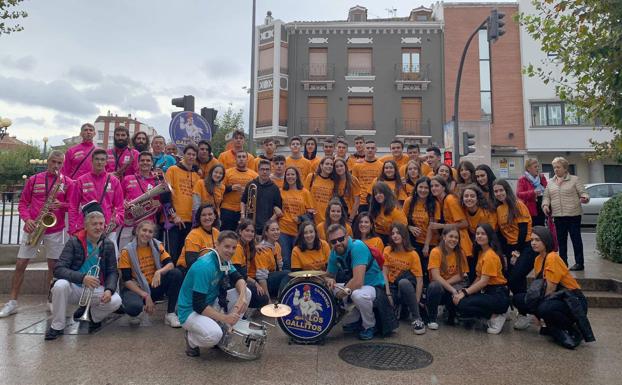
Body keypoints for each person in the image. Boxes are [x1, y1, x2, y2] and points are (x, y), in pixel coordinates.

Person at [1, 151, 72, 318]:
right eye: (53, 162)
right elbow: (23, 203)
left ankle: (52, 299)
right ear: (48, 162)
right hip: (34, 227)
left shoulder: (67, 182)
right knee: (20, 264)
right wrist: (27, 220)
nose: (56, 165)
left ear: (63, 164)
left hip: (55, 228)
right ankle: (12, 302)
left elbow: (72, 205)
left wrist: (61, 204)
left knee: (53, 267)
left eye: (59, 163)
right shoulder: (34, 180)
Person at [45, 204, 122, 340]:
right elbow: (59, 269)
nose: (98, 227)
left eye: (101, 224)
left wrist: (109, 290)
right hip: (75, 287)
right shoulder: (74, 242)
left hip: (95, 288)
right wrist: (82, 278)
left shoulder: (108, 244)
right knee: (59, 285)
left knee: (116, 301)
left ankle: (93, 316)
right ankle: (57, 325)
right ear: (86, 226)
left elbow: (112, 271)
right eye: (94, 224)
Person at [513, 226, 593, 349]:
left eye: (537, 240)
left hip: (572, 300)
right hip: (556, 298)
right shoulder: (538, 259)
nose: (533, 243)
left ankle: (571, 328)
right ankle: (552, 326)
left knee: (544, 308)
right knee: (518, 299)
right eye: (532, 240)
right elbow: (539, 288)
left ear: (546, 241)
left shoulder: (552, 257)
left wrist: (536, 312)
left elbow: (549, 290)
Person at [177, 231, 251, 357]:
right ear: (217, 245)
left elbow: (239, 279)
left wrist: (242, 299)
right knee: (214, 335)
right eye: (227, 246)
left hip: (210, 302)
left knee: (247, 292)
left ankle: (225, 331)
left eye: (234, 247)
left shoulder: (223, 259)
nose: (231, 251)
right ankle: (192, 340)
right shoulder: (205, 266)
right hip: (190, 311)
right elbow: (198, 305)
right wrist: (225, 318)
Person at [325, 224, 386, 340]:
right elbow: (328, 275)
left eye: (340, 239)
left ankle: (370, 326)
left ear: (347, 237)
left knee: (358, 295)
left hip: (373, 286)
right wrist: (330, 280)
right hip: (354, 286)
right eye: (333, 241)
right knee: (326, 289)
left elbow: (358, 282)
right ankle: (355, 318)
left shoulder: (357, 247)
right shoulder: (334, 253)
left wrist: (339, 295)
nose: (337, 243)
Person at [119, 220, 183, 327]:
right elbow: (126, 280)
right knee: (133, 308)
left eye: (150, 232)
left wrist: (159, 271)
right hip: (136, 287)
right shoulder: (127, 251)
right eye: (144, 230)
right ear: (137, 231)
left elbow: (170, 264)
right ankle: (138, 310)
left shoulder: (157, 245)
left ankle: (170, 314)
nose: (147, 234)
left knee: (176, 274)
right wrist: (145, 295)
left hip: (153, 284)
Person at [453, 223, 510, 334]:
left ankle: (496, 316)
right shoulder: (481, 252)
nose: (479, 236)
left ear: (489, 236)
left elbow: (483, 282)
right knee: (461, 301)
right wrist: (467, 291)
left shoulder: (490, 256)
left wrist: (465, 292)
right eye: (477, 233)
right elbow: (479, 277)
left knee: (463, 303)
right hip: (489, 293)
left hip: (498, 294)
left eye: (483, 234)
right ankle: (493, 313)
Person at [68, 149, 124, 251]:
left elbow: (120, 207)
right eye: (97, 159)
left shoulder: (114, 181)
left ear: (106, 162)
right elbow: (73, 207)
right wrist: (73, 229)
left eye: (102, 159)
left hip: (108, 229)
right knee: (86, 261)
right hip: (86, 228)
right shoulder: (81, 180)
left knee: (110, 262)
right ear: (92, 161)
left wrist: (116, 220)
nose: (99, 162)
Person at [542, 157, 589, 271]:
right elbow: (546, 197)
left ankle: (579, 263)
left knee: (576, 239)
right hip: (558, 216)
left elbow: (584, 193)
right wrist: (545, 205)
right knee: (561, 241)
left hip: (573, 215)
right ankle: (563, 263)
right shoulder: (550, 183)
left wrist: (585, 198)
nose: (556, 170)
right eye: (554, 167)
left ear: (565, 168)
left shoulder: (574, 180)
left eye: (558, 167)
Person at [493, 179, 535, 302]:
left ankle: (527, 307)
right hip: (511, 248)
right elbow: (502, 234)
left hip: (525, 246)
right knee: (515, 280)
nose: (499, 193)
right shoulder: (499, 209)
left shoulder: (518, 205)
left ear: (507, 190)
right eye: (496, 191)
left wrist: (517, 251)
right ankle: (523, 309)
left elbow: (523, 230)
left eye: (501, 190)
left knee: (515, 277)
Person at [382, 223, 425, 334]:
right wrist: (387, 294)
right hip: (391, 287)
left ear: (404, 235)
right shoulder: (387, 250)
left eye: (398, 233)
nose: (395, 236)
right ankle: (400, 308)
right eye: (392, 234)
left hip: (407, 287)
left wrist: (416, 301)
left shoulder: (413, 254)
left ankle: (417, 319)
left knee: (403, 282)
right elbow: (384, 273)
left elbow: (419, 280)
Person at [163, 144, 201, 262]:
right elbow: (165, 196)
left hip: (190, 221)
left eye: (193, 155)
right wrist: (173, 215)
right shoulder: (172, 170)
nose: (191, 157)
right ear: (183, 155)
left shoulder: (197, 176)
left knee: (184, 257)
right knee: (171, 255)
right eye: (188, 154)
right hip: (175, 220)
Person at [426, 227, 469, 330]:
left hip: (453, 284)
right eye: (451, 236)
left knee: (462, 292)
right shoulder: (436, 252)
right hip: (439, 287)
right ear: (444, 237)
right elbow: (435, 276)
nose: (453, 239)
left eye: (456, 237)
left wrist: (448, 285)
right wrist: (452, 289)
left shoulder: (460, 252)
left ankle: (451, 312)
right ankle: (431, 319)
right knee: (434, 286)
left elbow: (461, 275)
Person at [119, 151, 160, 250]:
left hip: (148, 224)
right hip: (128, 223)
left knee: (145, 255)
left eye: (148, 160)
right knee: (124, 252)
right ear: (138, 162)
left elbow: (160, 203)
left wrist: (158, 204)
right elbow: (118, 198)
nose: (145, 162)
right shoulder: (127, 179)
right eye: (142, 160)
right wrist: (122, 203)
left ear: (152, 163)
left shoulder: (157, 181)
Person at [429, 176, 472, 263]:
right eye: (432, 186)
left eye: (437, 186)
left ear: (444, 187)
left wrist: (441, 226)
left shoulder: (450, 199)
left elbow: (464, 223)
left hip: (460, 243)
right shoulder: (438, 201)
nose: (433, 188)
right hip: (449, 242)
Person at [278, 167, 315, 268]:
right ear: (285, 177)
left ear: (297, 176)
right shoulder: (281, 191)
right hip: (283, 229)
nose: (290, 177)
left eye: (293, 174)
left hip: (299, 231)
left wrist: (300, 218)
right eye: (288, 175)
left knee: (299, 259)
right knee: (285, 259)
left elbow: (311, 212)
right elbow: (276, 207)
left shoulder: (304, 192)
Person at [403, 177, 439, 274]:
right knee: (414, 269)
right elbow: (402, 221)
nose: (423, 190)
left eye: (426, 188)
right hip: (414, 241)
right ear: (416, 188)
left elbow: (432, 225)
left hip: (430, 241)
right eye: (420, 187)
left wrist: (426, 245)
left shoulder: (434, 204)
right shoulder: (409, 201)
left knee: (427, 269)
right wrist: (409, 227)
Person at [461, 184, 497, 282]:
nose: (469, 199)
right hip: (472, 243)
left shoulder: (486, 212)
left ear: (478, 198)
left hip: (487, 242)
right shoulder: (462, 210)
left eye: (472, 196)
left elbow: (491, 233)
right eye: (466, 196)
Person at [231, 219, 269, 308]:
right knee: (262, 299)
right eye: (247, 230)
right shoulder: (237, 247)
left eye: (252, 231)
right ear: (240, 231)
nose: (250, 233)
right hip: (236, 281)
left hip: (246, 278)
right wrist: (255, 283)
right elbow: (238, 274)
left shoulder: (248, 245)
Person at [241, 159, 282, 236]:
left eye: (267, 169)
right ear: (258, 170)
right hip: (251, 224)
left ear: (270, 171)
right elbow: (243, 201)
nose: (265, 172)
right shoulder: (251, 184)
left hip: (266, 227)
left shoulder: (274, 188)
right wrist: (242, 215)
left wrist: (268, 223)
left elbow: (278, 210)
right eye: (262, 169)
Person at [220, 151, 258, 231]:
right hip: (228, 209)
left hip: (246, 211)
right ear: (235, 159)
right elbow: (218, 189)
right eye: (239, 157)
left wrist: (248, 192)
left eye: (243, 157)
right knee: (226, 235)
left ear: (247, 160)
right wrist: (230, 188)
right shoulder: (227, 173)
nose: (241, 159)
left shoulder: (254, 175)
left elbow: (258, 194)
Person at [177, 204, 220, 272]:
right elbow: (191, 263)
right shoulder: (194, 235)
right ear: (199, 218)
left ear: (215, 216)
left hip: (210, 268)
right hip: (188, 270)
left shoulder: (217, 233)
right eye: (203, 215)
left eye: (210, 214)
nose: (207, 217)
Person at [254, 220, 291, 297]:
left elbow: (280, 268)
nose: (276, 232)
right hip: (261, 282)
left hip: (272, 277)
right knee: (287, 273)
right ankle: (281, 298)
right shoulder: (262, 249)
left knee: (287, 274)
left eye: (277, 229)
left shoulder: (277, 245)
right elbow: (261, 278)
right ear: (266, 233)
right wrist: (267, 300)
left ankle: (280, 296)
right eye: (272, 230)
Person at [352, 140, 384, 213]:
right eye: (368, 148)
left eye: (372, 148)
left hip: (376, 200)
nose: (370, 150)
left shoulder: (382, 166)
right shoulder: (357, 166)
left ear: (376, 150)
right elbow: (354, 185)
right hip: (361, 202)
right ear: (364, 149)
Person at [304, 156, 335, 224]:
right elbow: (303, 195)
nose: (329, 166)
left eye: (331, 164)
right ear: (321, 165)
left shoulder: (333, 182)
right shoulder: (311, 177)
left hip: (325, 217)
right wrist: (307, 209)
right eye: (327, 164)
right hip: (310, 216)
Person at [517, 158, 548, 227]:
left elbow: (547, 190)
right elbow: (519, 194)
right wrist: (532, 192)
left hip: (542, 208)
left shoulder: (542, 178)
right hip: (530, 210)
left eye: (538, 167)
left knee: (541, 231)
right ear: (528, 168)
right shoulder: (523, 179)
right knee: (531, 231)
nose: (538, 169)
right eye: (535, 167)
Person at [334, 158, 360, 223]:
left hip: (351, 215)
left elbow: (357, 201)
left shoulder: (353, 180)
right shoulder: (334, 181)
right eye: (337, 167)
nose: (339, 168)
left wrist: (351, 219)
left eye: (341, 166)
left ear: (345, 167)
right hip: (338, 215)